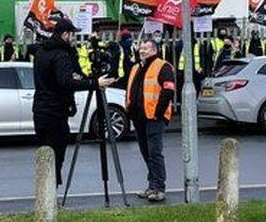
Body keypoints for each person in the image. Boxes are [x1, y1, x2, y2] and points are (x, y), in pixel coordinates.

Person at [32, 19, 115, 185]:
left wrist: (82, 77)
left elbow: (64, 77)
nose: (74, 38)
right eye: (72, 35)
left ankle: (45, 195)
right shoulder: (61, 54)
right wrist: (94, 84)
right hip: (55, 112)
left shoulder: (41, 52)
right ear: (65, 34)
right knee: (56, 156)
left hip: (40, 110)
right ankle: (51, 196)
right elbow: (66, 81)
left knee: (45, 155)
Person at [127, 38, 176, 203]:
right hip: (139, 117)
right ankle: (151, 185)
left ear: (154, 50)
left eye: (146, 49)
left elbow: (168, 90)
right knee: (146, 152)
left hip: (154, 117)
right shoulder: (136, 67)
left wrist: (158, 113)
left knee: (155, 153)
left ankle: (159, 188)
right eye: (141, 48)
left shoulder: (163, 66)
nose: (141, 51)